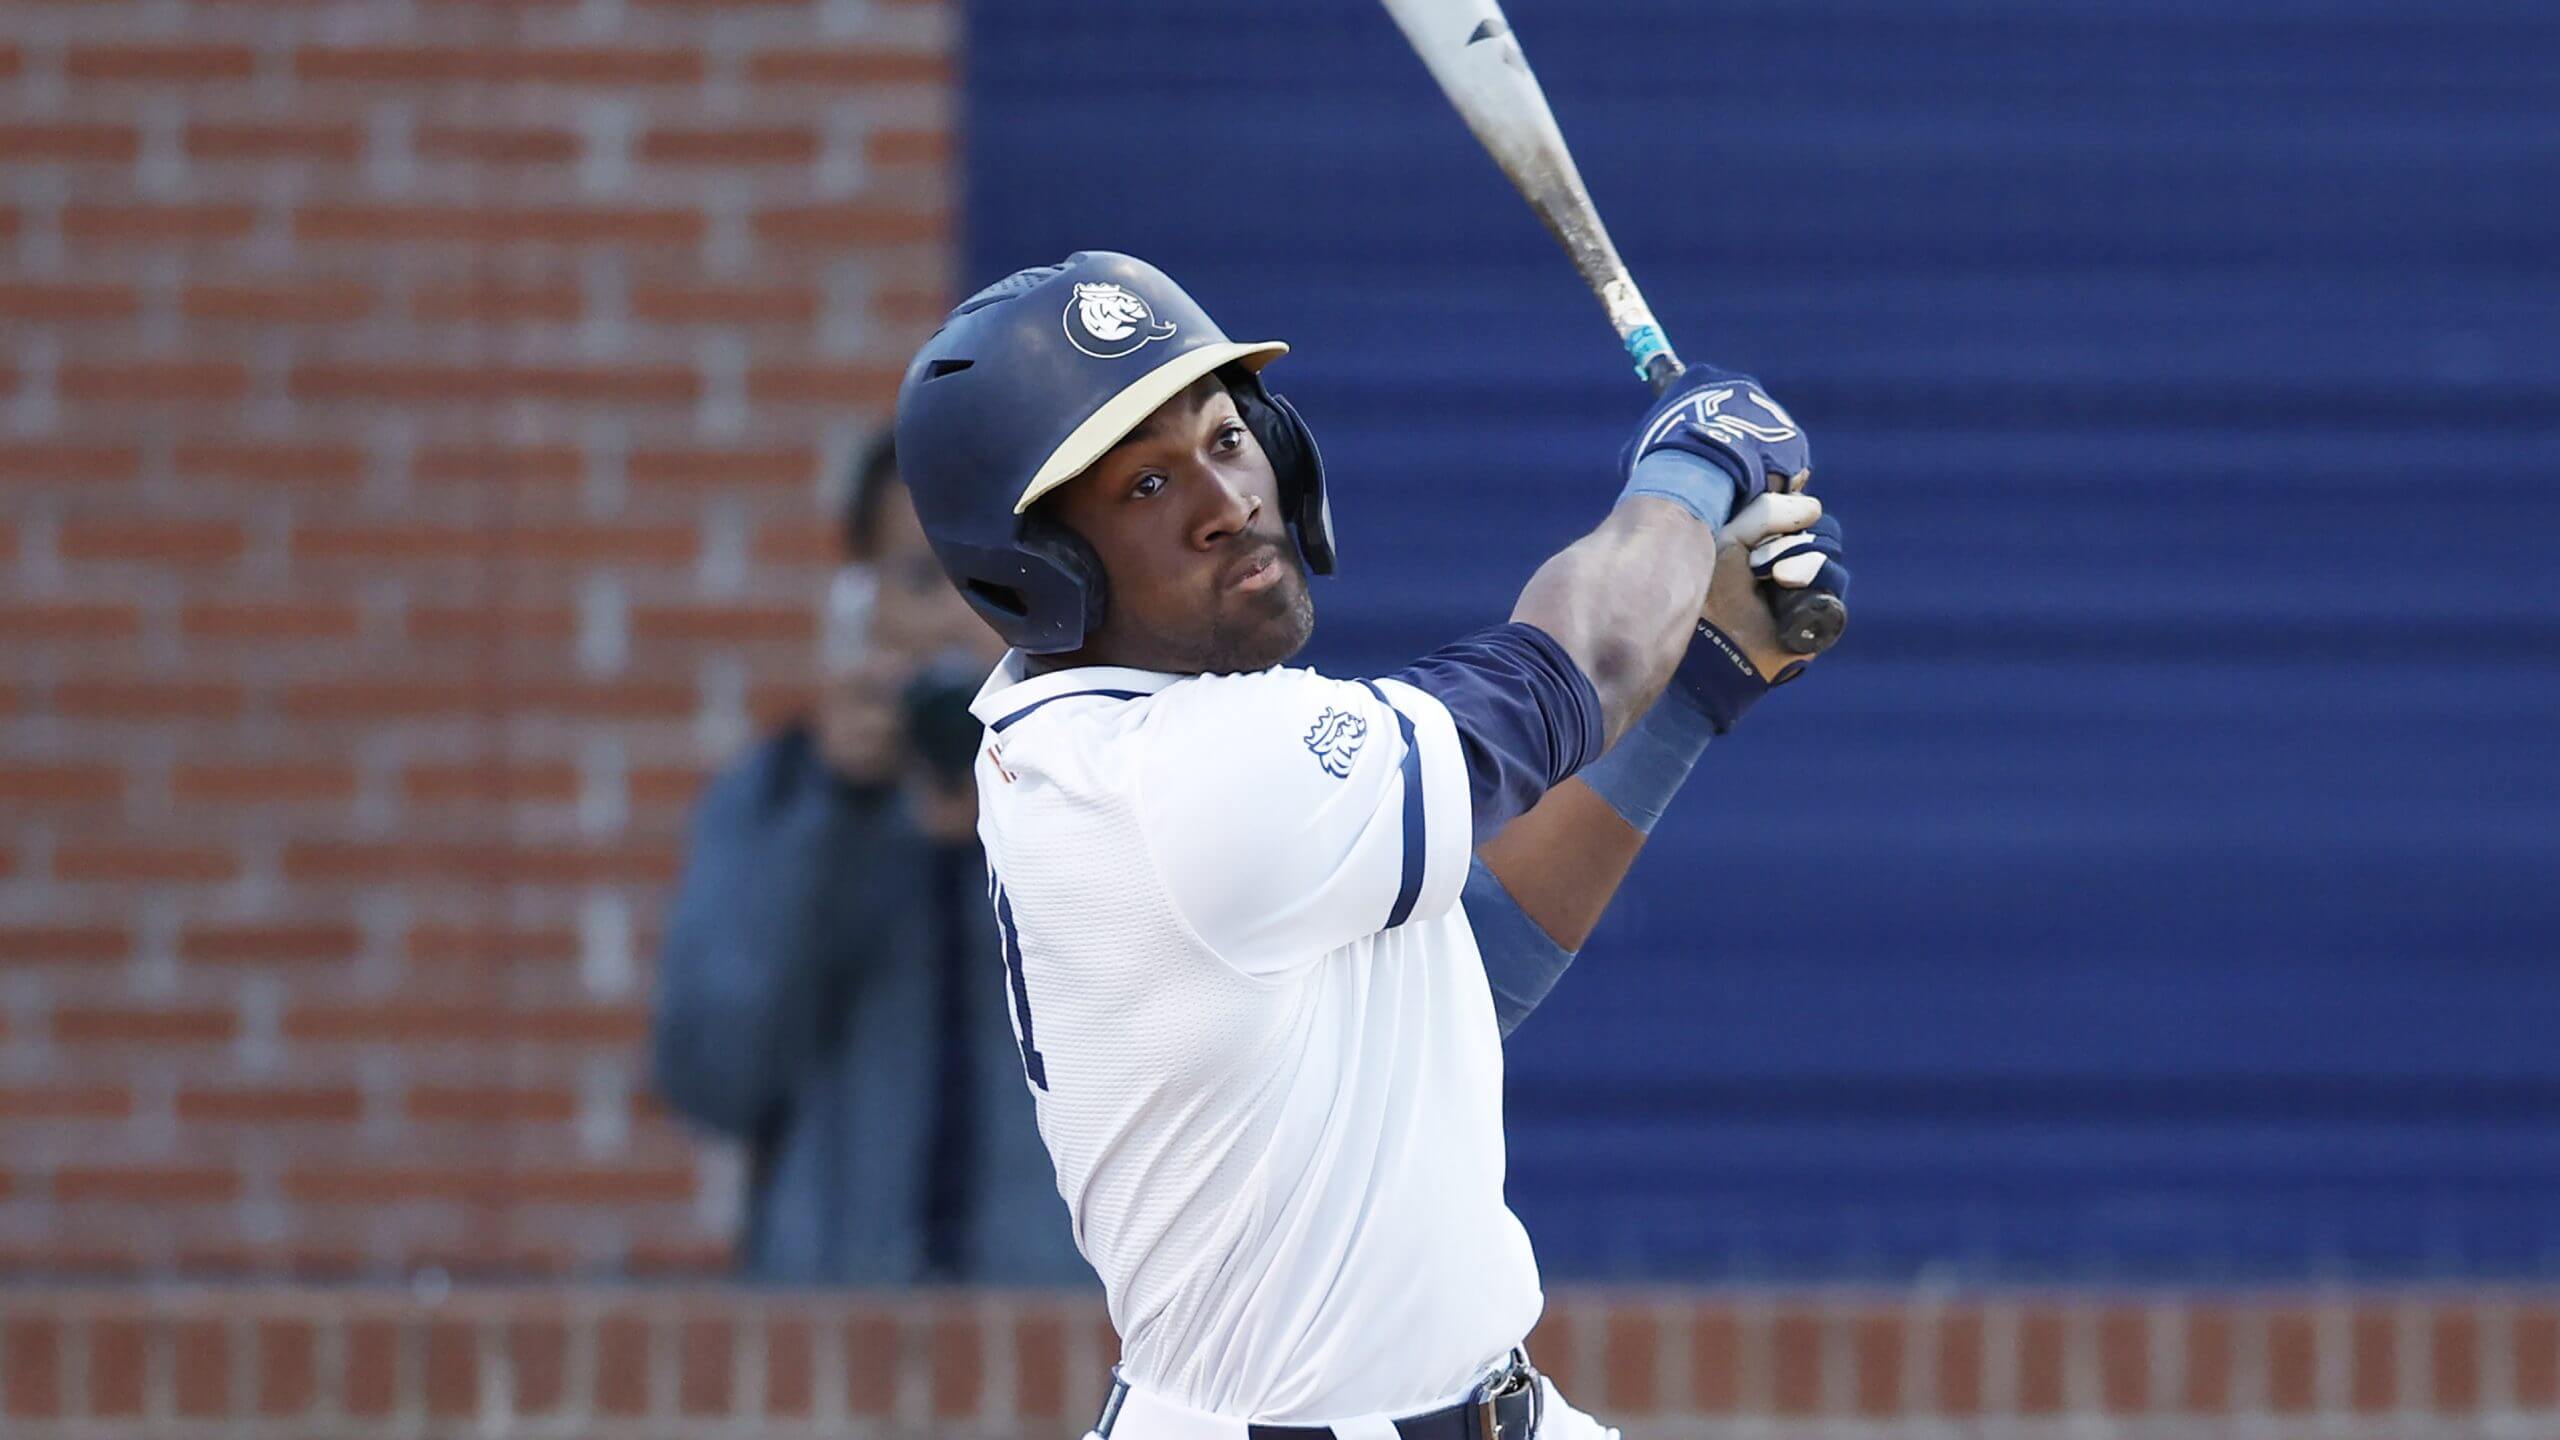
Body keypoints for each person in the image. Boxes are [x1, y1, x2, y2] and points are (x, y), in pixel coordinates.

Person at [893, 253, 1851, 1437]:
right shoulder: (1167, 774)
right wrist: (1692, 471)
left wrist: (1694, 682)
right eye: (1144, 486)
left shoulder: (1145, 752)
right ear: (1036, 567)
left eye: (1227, 438)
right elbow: (1576, 669)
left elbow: (1464, 969)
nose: (1225, 499)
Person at [650, 434, 1093, 1287]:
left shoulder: (1119, 798)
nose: (961, 620)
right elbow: (711, 1077)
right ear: (862, 603)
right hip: (833, 1366)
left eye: (997, 577)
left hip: (1068, 1360)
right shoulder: (781, 794)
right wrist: (840, 811)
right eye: (926, 581)